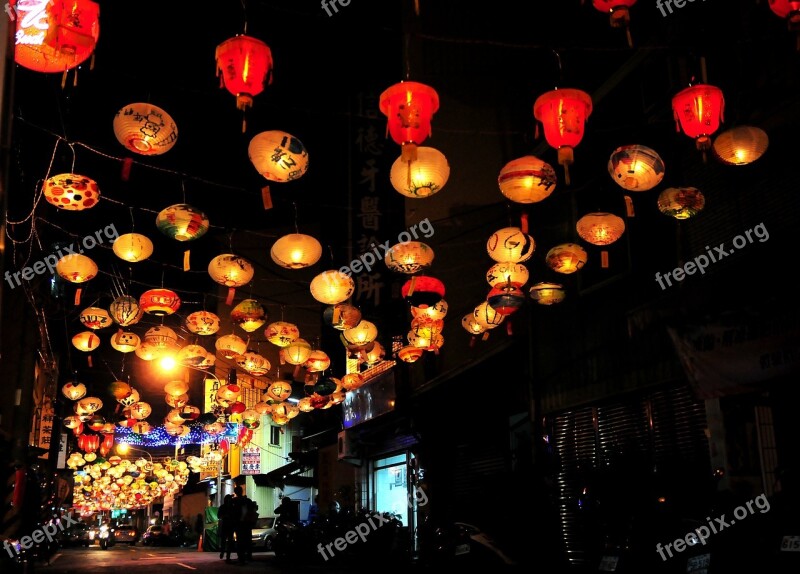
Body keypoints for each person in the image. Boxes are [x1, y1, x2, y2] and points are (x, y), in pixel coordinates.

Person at [232, 485, 257, 564]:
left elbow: (231, 512)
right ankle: (248, 556)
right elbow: (254, 508)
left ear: (235, 492)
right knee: (247, 540)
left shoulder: (234, 501)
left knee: (240, 541)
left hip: (239, 524)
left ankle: (241, 557)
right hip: (246, 523)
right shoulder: (247, 500)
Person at [218, 494, 236, 562]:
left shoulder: (232, 507)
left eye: (229, 499)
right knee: (223, 541)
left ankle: (228, 556)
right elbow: (218, 515)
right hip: (225, 525)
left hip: (230, 526)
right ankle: (222, 552)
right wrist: (224, 516)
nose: (229, 500)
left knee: (230, 542)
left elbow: (235, 515)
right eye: (228, 499)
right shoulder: (223, 507)